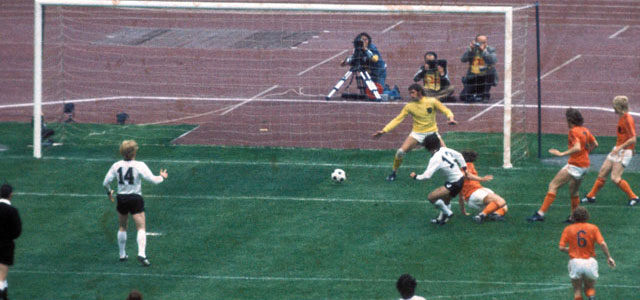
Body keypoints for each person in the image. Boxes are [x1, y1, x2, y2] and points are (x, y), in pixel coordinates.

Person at [103, 140, 168, 267]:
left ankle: (122, 254)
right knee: (141, 227)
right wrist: (162, 177)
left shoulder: (116, 165)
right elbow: (153, 180)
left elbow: (105, 183)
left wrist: (109, 192)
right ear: (133, 152)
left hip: (121, 198)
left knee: (122, 226)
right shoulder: (139, 165)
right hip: (135, 198)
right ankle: (142, 254)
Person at [373, 84, 457, 181]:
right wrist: (384, 130)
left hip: (432, 133)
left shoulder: (432, 101)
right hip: (417, 134)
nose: (411, 95)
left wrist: (451, 118)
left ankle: (457, 174)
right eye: (410, 93)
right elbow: (397, 119)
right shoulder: (409, 106)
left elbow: (446, 110)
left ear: (419, 92)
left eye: (412, 93)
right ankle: (394, 173)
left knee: (447, 154)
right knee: (400, 152)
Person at [528, 108, 597, 223]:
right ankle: (573, 217)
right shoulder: (585, 130)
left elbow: (577, 147)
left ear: (570, 121)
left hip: (575, 165)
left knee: (553, 185)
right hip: (585, 166)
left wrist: (562, 153)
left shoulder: (573, 131)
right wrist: (585, 153)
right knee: (573, 191)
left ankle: (540, 213)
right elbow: (595, 144)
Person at [582, 95, 639, 206]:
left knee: (615, 177)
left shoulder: (627, 119)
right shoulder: (622, 117)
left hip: (623, 151)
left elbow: (633, 138)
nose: (613, 108)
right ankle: (591, 196)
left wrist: (622, 148)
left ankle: (634, 197)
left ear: (618, 107)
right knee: (603, 171)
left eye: (614, 106)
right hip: (618, 149)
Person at [559, 207, 615, 300]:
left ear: (573, 217)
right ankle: (591, 297)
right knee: (590, 287)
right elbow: (602, 244)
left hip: (575, 262)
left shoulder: (568, 229)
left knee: (577, 290)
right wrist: (609, 257)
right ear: (587, 216)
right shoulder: (593, 228)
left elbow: (561, 247)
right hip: (590, 262)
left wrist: (572, 249)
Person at [410, 134, 466, 225]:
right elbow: (459, 155)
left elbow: (427, 176)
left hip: (454, 183)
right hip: (460, 179)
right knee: (445, 200)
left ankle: (448, 213)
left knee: (431, 198)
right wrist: (465, 168)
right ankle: (442, 219)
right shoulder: (444, 149)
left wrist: (416, 176)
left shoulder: (435, 158)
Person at [341, 32, 400, 100]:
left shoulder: (372, 48)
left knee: (377, 93)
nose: (364, 41)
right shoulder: (356, 49)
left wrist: (365, 50)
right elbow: (355, 58)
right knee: (369, 93)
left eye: (366, 40)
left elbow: (375, 59)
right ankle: (385, 87)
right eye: (362, 40)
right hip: (368, 72)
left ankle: (394, 92)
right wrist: (346, 62)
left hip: (378, 71)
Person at [459, 150, 508, 223]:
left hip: (471, 200)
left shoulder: (458, 172)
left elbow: (460, 196)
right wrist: (482, 179)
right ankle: (481, 215)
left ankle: (493, 214)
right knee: (501, 201)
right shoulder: (468, 164)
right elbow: (467, 175)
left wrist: (463, 211)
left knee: (504, 207)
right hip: (475, 193)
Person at [459, 34, 498, 103]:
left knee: (491, 72)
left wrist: (483, 51)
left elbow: (493, 60)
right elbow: (463, 59)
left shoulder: (490, 50)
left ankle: (485, 95)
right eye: (480, 42)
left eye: (484, 42)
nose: (483, 44)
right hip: (474, 77)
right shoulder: (473, 50)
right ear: (476, 42)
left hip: (486, 77)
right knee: (463, 96)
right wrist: (470, 50)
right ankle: (477, 95)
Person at [0, 184, 21, 300]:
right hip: (5, 246)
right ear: (10, 195)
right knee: (2, 276)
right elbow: (17, 232)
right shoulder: (12, 211)